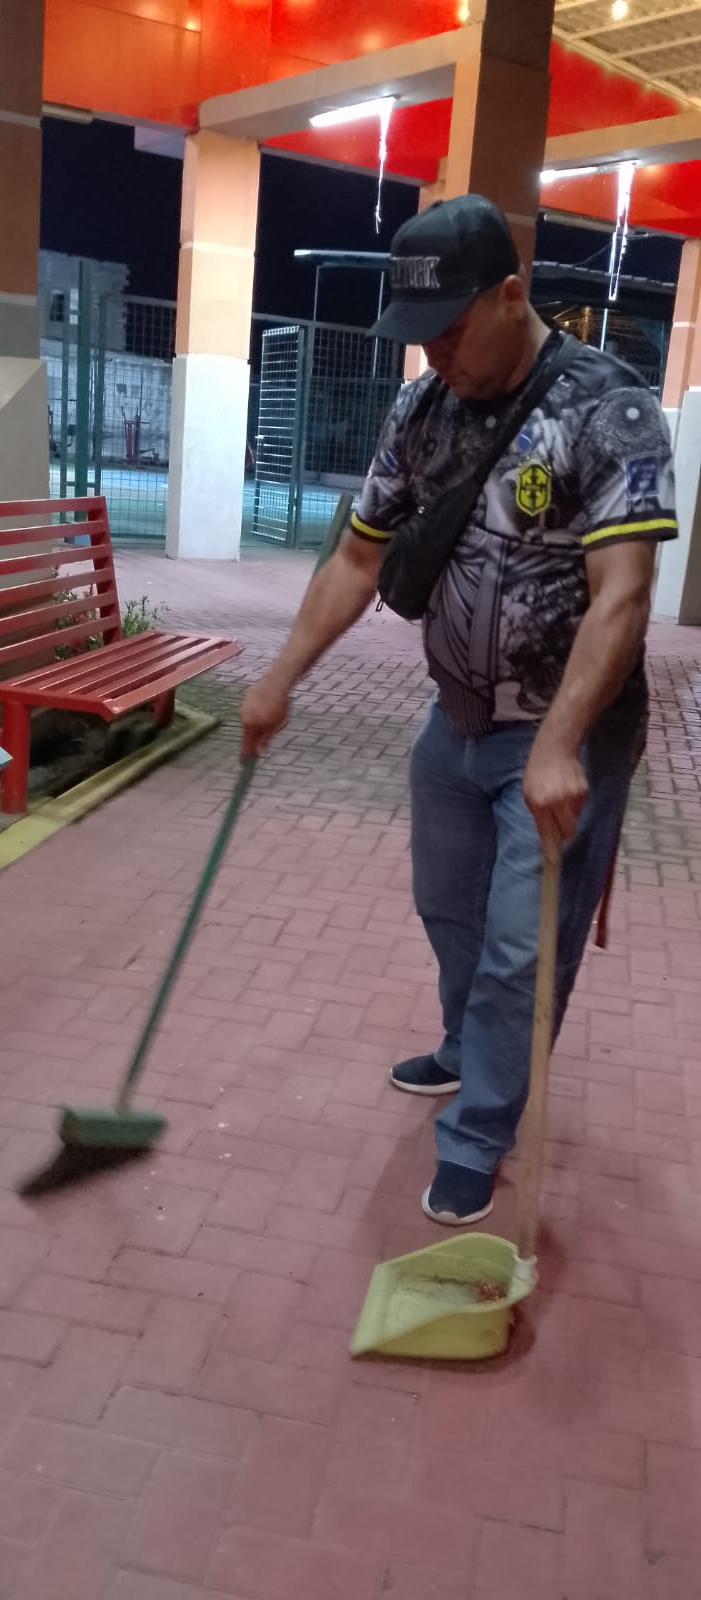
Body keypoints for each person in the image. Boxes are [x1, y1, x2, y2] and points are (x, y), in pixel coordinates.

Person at [241, 194, 678, 1226]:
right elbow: (357, 558)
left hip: (562, 742)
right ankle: (464, 1046)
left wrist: (561, 744)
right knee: (448, 910)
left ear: (511, 295)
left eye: (448, 329)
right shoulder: (422, 408)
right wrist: (280, 677)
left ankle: (481, 1128)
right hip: (456, 726)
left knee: (521, 951)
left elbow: (623, 595)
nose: (433, 353)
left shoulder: (610, 410)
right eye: (419, 335)